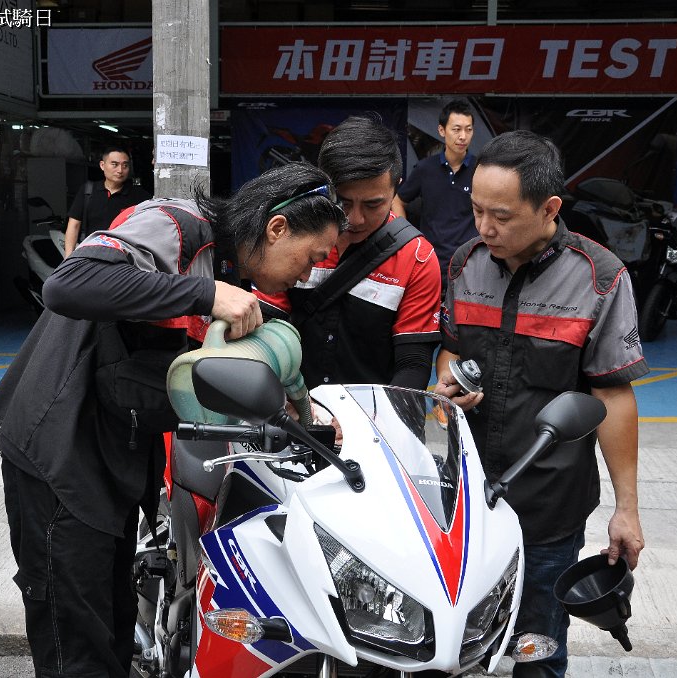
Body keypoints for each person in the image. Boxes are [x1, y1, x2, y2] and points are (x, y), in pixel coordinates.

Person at [0, 161, 345, 678]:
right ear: (277, 228)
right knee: (76, 644)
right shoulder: (177, 225)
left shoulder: (232, 277)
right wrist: (207, 294)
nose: (308, 274)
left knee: (114, 626)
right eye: (311, 258)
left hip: (116, 456)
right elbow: (68, 285)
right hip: (59, 451)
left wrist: (301, 411)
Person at [433, 130, 647, 677]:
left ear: (549, 208)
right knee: (448, 643)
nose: (484, 228)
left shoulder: (599, 279)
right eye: (477, 210)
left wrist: (626, 508)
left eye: (501, 216)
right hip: (465, 500)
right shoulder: (464, 264)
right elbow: (450, 350)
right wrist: (448, 382)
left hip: (548, 506)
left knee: (537, 646)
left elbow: (612, 394)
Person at [256, 116, 441, 390]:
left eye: (372, 205)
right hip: (289, 406)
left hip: (373, 414)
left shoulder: (417, 259)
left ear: (396, 189)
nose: (355, 219)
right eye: (342, 202)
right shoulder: (289, 234)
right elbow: (264, 329)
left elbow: (413, 364)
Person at [392, 100, 478, 289]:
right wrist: (408, 239)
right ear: (441, 130)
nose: (463, 136)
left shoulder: (480, 170)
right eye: (456, 129)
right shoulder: (425, 169)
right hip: (431, 262)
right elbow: (398, 201)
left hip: (470, 263)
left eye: (468, 130)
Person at [64, 147, 151, 256]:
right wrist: (68, 258)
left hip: (125, 257)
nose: (120, 170)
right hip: (90, 254)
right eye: (115, 164)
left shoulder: (139, 196)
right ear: (102, 165)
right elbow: (74, 225)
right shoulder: (88, 191)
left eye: (125, 165)